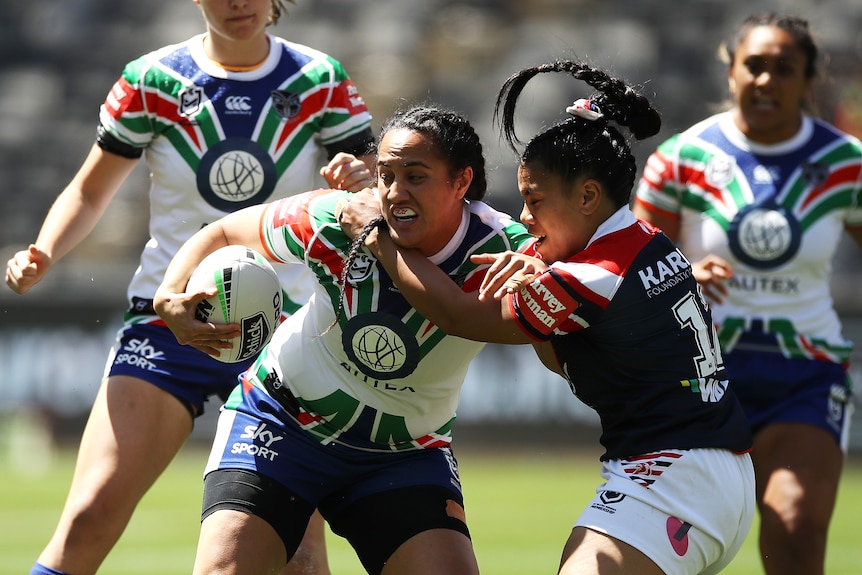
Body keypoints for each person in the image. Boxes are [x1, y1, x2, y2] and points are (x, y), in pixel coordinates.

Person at [337, 60, 756, 575]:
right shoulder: (644, 241)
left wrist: (377, 237)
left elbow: (459, 315)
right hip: (720, 476)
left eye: (535, 201)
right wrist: (536, 275)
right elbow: (561, 360)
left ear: (587, 197)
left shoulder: (590, 277)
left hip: (671, 479)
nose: (524, 219)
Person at [4, 1, 376, 574]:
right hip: (168, 314)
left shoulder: (319, 80)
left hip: (286, 331)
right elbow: (89, 190)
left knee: (299, 552)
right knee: (90, 515)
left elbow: (375, 190)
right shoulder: (153, 80)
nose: (237, 3)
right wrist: (44, 250)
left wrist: (361, 177)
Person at [153, 104, 534, 575]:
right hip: (282, 422)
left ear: (461, 182)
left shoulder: (506, 251)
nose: (395, 193)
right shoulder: (337, 217)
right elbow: (226, 230)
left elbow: (499, 316)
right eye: (386, 175)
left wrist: (381, 243)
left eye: (415, 176)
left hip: (404, 453)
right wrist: (168, 294)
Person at [632, 13, 862, 575]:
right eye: (754, 66)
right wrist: (681, 274)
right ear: (730, 71)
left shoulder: (845, 165)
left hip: (803, 376)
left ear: (810, 80)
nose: (767, 80)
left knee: (796, 525)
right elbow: (629, 266)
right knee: (671, 546)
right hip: (701, 378)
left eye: (784, 69)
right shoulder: (680, 160)